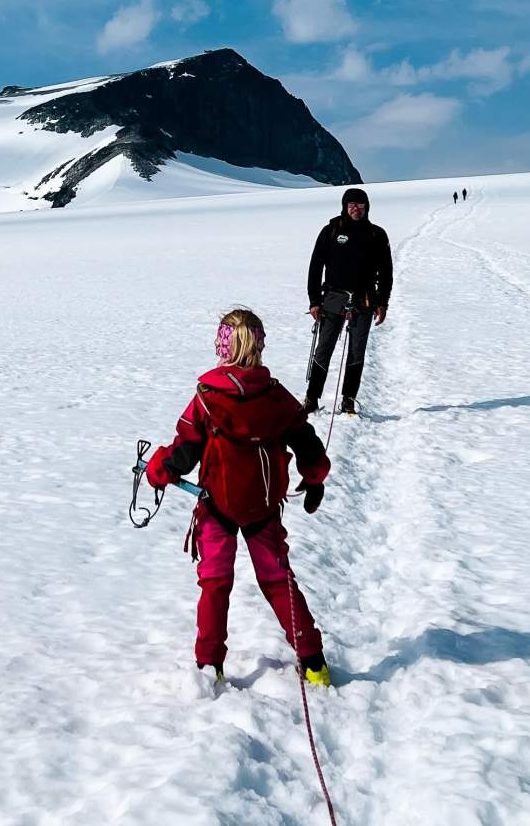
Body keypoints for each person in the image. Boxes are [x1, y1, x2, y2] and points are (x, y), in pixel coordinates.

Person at [146, 308, 332, 689]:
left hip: (217, 507)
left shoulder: (206, 398)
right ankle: (314, 662)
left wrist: (158, 469)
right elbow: (307, 442)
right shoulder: (277, 396)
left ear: (223, 346)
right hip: (263, 508)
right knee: (279, 581)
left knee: (215, 583)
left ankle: (208, 666)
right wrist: (314, 479)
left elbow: (183, 453)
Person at [304, 188, 393, 415]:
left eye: (361, 205)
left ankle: (348, 399)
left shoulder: (377, 235)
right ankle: (312, 398)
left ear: (367, 207)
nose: (356, 208)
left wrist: (383, 302)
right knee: (323, 349)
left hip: (364, 300)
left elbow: (386, 272)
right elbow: (315, 267)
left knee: (356, 352)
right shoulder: (331, 231)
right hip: (333, 298)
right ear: (344, 206)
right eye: (352, 204)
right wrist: (314, 301)